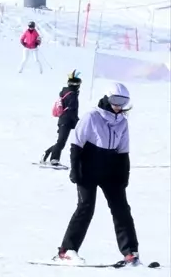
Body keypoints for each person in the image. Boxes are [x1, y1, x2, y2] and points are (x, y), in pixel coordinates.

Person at [55, 82, 140, 266]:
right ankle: (67, 251)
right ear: (107, 98)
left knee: (122, 209)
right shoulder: (92, 116)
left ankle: (130, 252)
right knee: (86, 208)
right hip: (88, 167)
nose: (119, 105)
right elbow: (77, 143)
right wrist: (75, 168)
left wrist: (123, 176)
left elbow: (123, 151)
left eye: (123, 102)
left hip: (111, 168)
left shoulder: (122, 122)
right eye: (116, 100)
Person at [42, 71, 82, 167]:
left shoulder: (66, 92)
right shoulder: (72, 95)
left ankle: (47, 153)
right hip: (66, 121)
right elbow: (72, 110)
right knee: (61, 142)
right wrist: (78, 122)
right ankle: (54, 159)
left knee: (60, 142)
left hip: (63, 120)